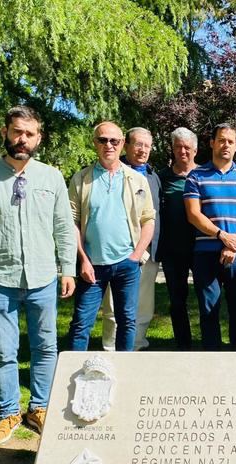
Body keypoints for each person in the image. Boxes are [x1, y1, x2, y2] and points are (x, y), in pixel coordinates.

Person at [0, 105, 77, 443]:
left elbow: (63, 228)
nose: (22, 139)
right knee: (2, 350)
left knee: (45, 347)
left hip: (42, 277)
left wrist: (67, 269)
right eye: (16, 132)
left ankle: (39, 408)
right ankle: (8, 412)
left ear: (38, 138)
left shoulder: (51, 177)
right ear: (5, 133)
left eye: (29, 134)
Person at [68, 121, 155, 351]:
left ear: (122, 144)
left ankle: (124, 375)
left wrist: (136, 256)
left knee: (127, 322)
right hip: (91, 267)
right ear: (95, 143)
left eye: (114, 140)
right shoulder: (81, 179)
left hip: (127, 264)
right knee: (81, 323)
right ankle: (75, 379)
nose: (109, 145)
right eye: (103, 140)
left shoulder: (137, 179)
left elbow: (148, 219)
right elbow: (72, 222)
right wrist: (83, 260)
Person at [184, 123, 236, 350]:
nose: (225, 145)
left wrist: (233, 244)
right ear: (212, 143)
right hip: (205, 253)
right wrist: (221, 235)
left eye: (230, 141)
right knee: (208, 310)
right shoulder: (195, 176)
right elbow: (193, 214)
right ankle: (211, 360)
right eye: (221, 140)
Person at [101, 127, 161, 351]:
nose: (143, 150)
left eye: (147, 145)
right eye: (138, 144)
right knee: (115, 305)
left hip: (149, 250)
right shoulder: (112, 172)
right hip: (119, 250)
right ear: (126, 145)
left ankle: (137, 346)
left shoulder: (153, 176)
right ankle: (110, 347)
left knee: (144, 303)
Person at [158, 127, 198, 349]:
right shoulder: (162, 177)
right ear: (172, 149)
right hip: (172, 249)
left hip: (201, 247)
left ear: (195, 150)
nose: (182, 151)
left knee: (206, 297)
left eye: (187, 147)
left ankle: (209, 341)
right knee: (177, 300)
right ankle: (183, 344)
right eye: (178, 147)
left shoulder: (204, 175)